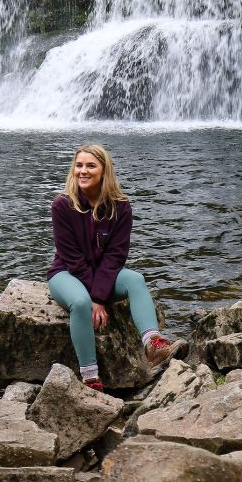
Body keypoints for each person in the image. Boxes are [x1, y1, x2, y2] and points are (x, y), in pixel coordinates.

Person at [46, 144, 186, 392]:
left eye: (91, 165)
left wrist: (99, 295)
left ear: (104, 171)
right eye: (79, 165)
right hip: (66, 272)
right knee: (80, 302)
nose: (83, 171)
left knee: (135, 279)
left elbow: (116, 256)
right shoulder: (62, 205)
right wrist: (95, 298)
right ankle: (90, 377)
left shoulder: (120, 206)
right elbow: (73, 258)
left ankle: (153, 344)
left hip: (104, 273)